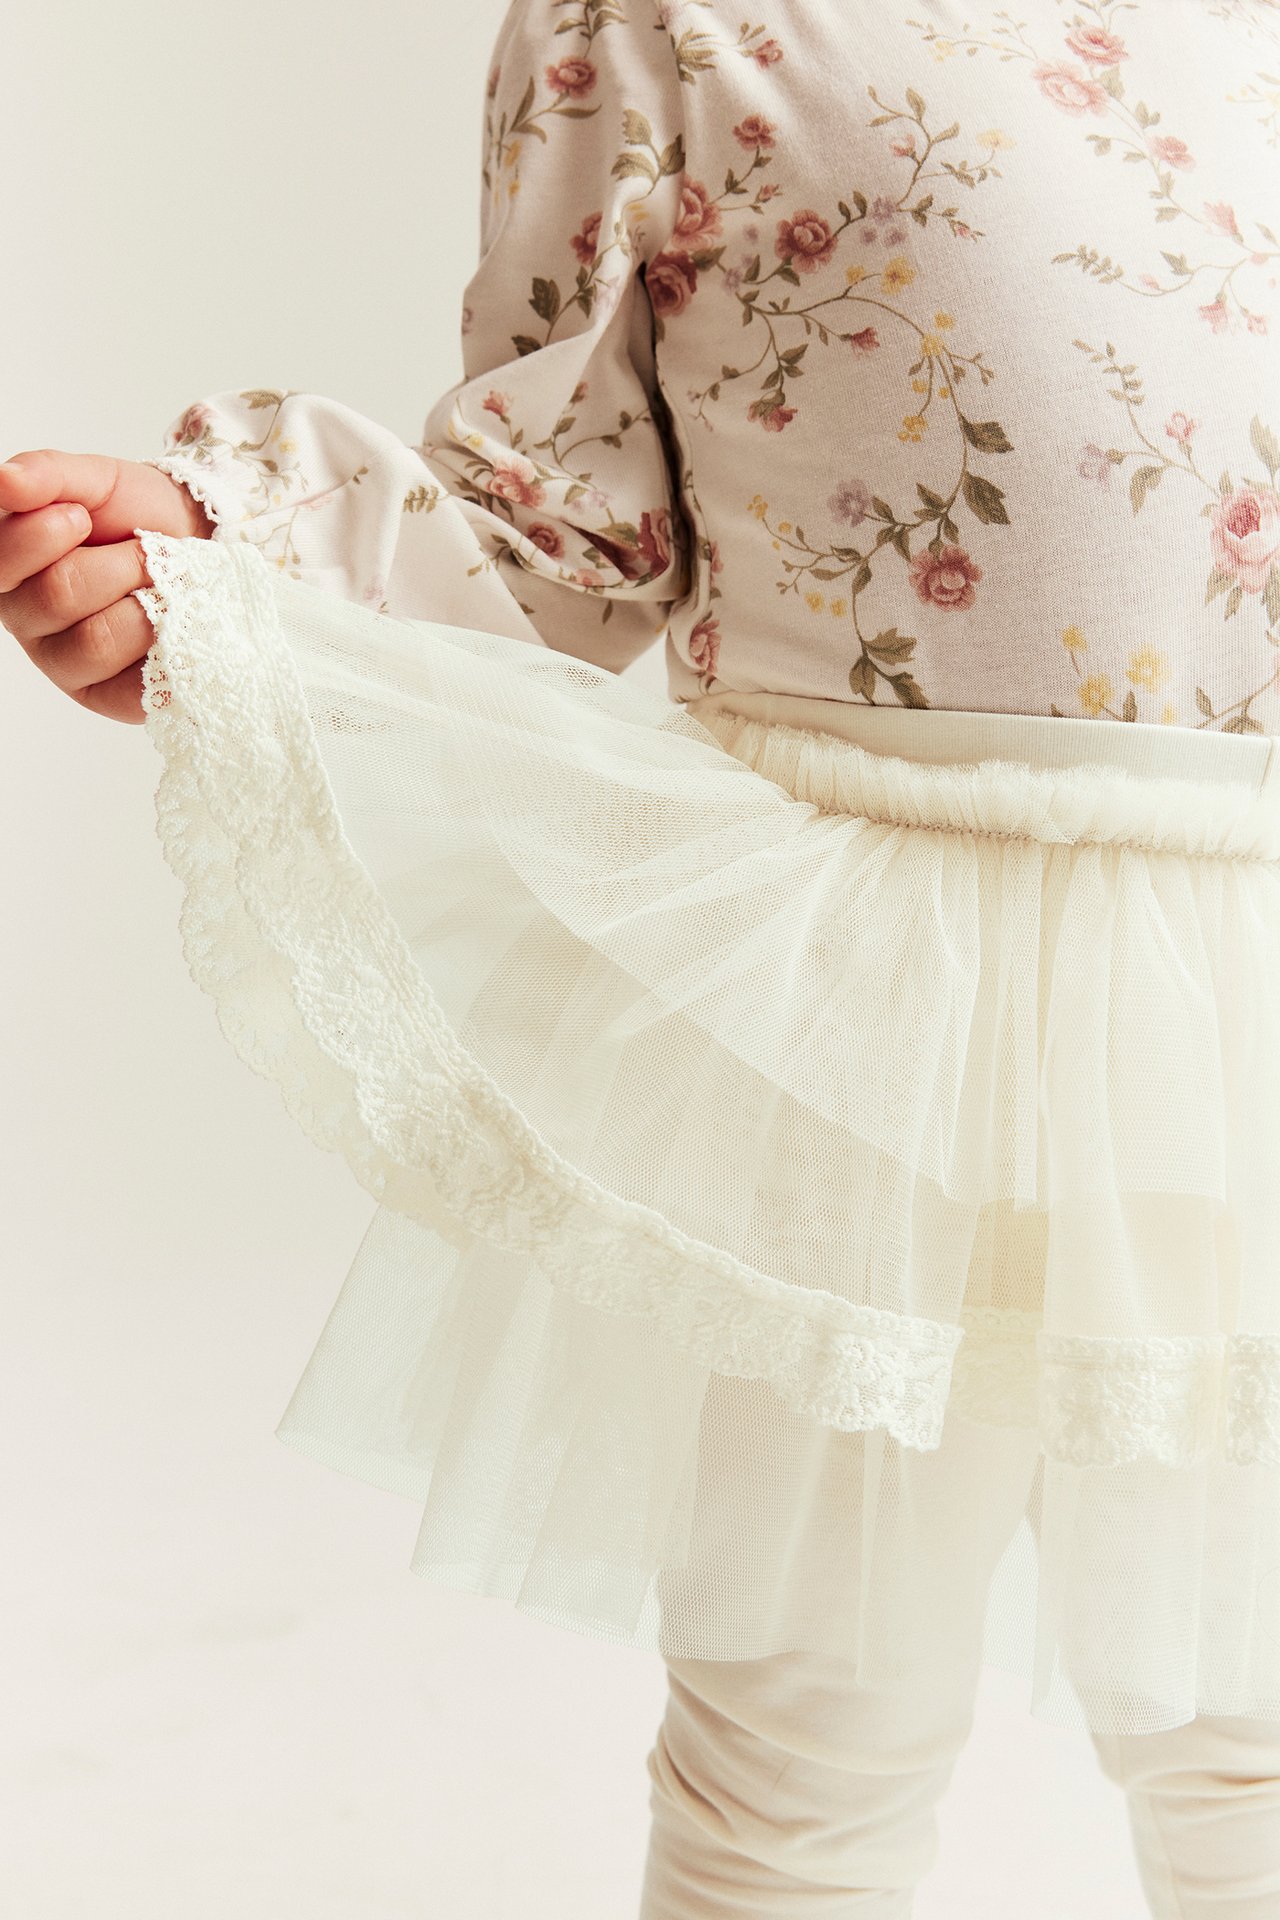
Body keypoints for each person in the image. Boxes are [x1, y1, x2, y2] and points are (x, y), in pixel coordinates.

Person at [5, 1, 1280, 1911]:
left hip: (1230, 995)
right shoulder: (673, 21)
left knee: (1248, 1723)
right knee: (806, 1740)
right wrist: (227, 558)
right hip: (854, 994)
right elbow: (562, 521)